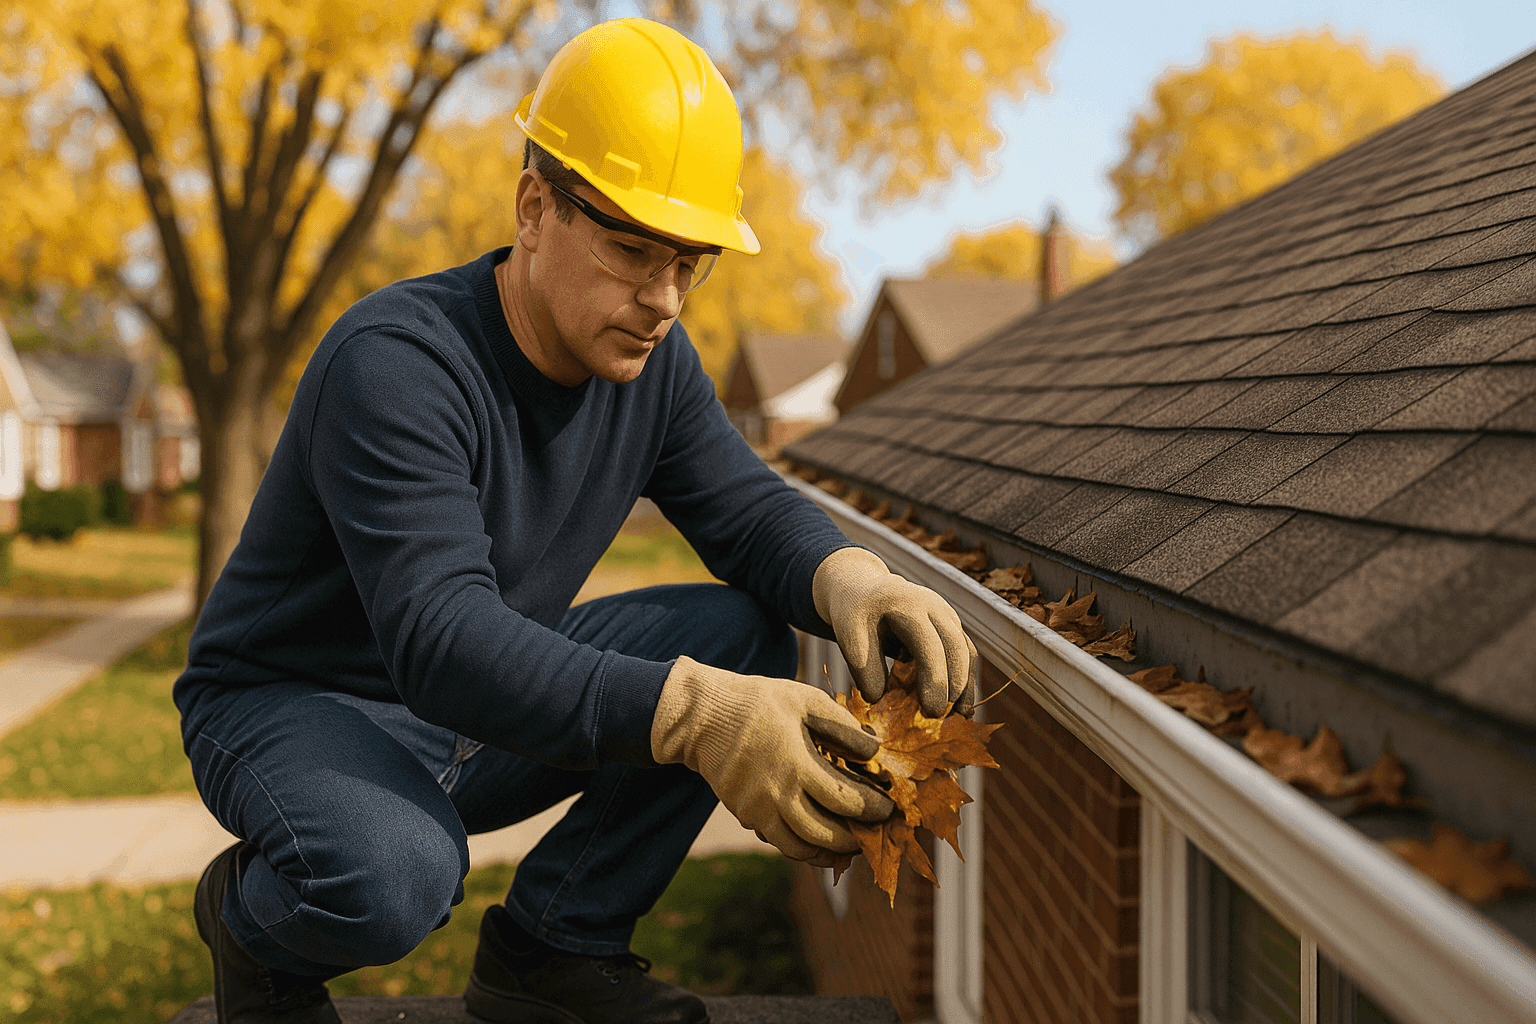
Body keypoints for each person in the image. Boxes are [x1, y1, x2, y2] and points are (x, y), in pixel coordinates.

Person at [175, 17, 978, 1024]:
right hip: (292, 703)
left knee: (739, 637)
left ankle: (553, 948)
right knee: (397, 876)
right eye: (633, 248)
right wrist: (702, 720)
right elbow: (441, 640)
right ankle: (251, 927)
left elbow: (743, 509)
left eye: (691, 261)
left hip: (463, 708)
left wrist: (849, 575)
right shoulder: (395, 364)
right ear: (533, 208)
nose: (664, 297)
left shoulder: (652, 366)